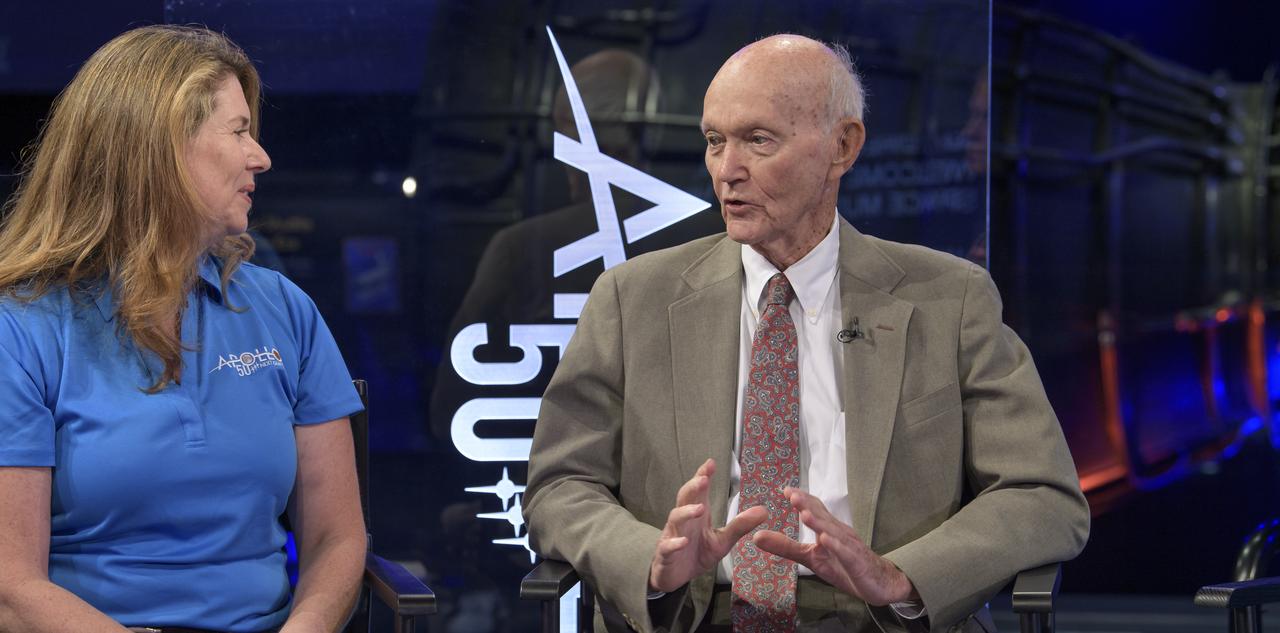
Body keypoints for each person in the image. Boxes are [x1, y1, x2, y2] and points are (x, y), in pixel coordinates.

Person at [524, 34, 1090, 632]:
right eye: (715, 141)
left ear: (843, 146)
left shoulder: (950, 299)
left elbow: (1043, 496)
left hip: (882, 619)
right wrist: (650, 562)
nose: (727, 171)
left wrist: (901, 577)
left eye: (758, 140)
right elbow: (560, 485)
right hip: (695, 615)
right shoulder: (632, 298)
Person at [0, 26, 366, 633]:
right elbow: (12, 588)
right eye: (239, 131)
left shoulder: (285, 310)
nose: (260, 157)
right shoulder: (21, 327)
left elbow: (338, 539)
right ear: (162, 149)